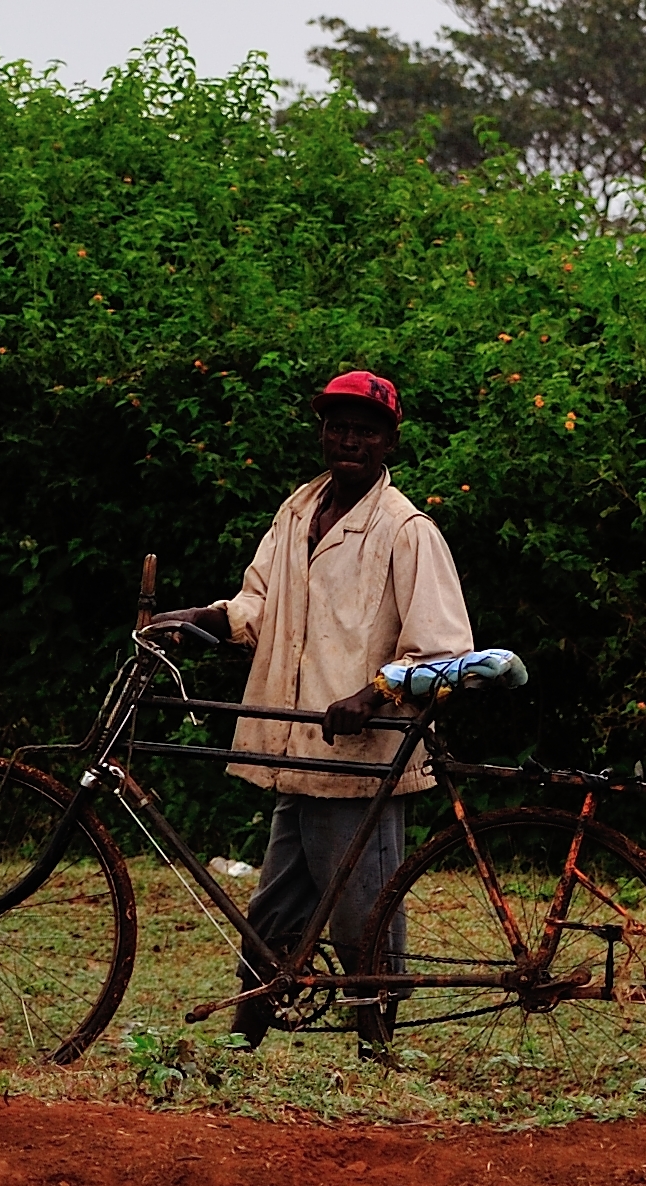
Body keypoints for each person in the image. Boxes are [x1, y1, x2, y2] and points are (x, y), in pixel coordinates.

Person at [152, 370, 474, 1048]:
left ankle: (375, 1047)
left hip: (362, 760)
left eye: (364, 428)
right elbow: (260, 603)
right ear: (322, 433)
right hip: (296, 751)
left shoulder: (406, 530)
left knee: (364, 914)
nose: (348, 439)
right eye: (337, 425)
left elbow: (444, 653)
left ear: (389, 441)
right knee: (272, 912)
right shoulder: (298, 510)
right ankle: (242, 1043)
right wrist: (205, 619)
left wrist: (373, 693)